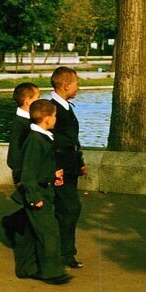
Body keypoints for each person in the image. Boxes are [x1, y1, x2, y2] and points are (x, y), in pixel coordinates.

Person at [15, 99, 72, 285]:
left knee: (33, 232)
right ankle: (52, 272)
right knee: (49, 232)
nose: (56, 119)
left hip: (43, 189)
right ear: (47, 119)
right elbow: (28, 173)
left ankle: (26, 267)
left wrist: (53, 173)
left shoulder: (41, 138)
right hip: (38, 193)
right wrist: (34, 197)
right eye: (54, 116)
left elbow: (40, 165)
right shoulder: (35, 141)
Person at [49, 67, 86, 269]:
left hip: (69, 164)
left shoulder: (64, 107)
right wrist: (56, 168)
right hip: (60, 167)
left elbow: (71, 139)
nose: (78, 87)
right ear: (65, 85)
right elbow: (51, 142)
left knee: (65, 208)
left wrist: (79, 162)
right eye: (76, 83)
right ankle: (65, 253)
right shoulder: (53, 109)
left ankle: (64, 252)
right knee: (70, 208)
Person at [1, 82, 41, 244]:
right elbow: (15, 154)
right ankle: (13, 225)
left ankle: (15, 226)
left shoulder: (28, 121)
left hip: (29, 172)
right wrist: (18, 176)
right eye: (38, 97)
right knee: (34, 206)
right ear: (27, 101)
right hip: (24, 173)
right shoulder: (21, 124)